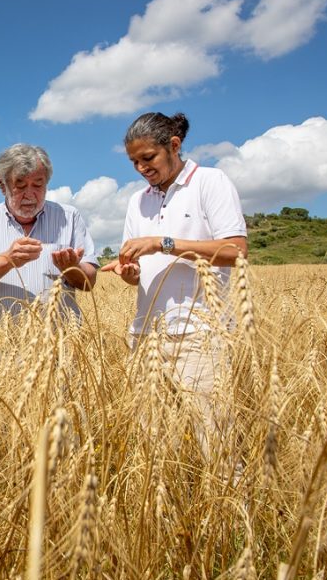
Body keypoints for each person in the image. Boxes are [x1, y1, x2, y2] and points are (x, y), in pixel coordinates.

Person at [101, 111, 247, 464]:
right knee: (154, 448)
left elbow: (236, 251)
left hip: (200, 335)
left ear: (174, 145)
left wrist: (164, 243)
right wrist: (129, 271)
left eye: (147, 158)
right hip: (146, 337)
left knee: (217, 442)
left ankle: (232, 515)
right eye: (134, 161)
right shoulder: (138, 201)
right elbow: (138, 267)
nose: (141, 168)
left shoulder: (211, 182)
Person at [0, 143, 98, 322]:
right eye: (20, 186)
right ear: (2, 185)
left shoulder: (69, 217)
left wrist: (72, 268)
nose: (30, 195)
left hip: (60, 345)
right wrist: (7, 260)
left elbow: (89, 281)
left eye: (38, 185)